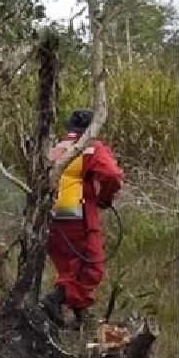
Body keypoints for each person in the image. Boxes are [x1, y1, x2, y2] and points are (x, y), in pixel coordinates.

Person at [40, 108, 124, 329]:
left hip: (50, 217)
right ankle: (53, 300)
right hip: (77, 218)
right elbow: (112, 175)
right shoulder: (91, 146)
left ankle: (81, 319)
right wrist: (104, 198)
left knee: (71, 268)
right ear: (92, 128)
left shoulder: (56, 147)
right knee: (90, 268)